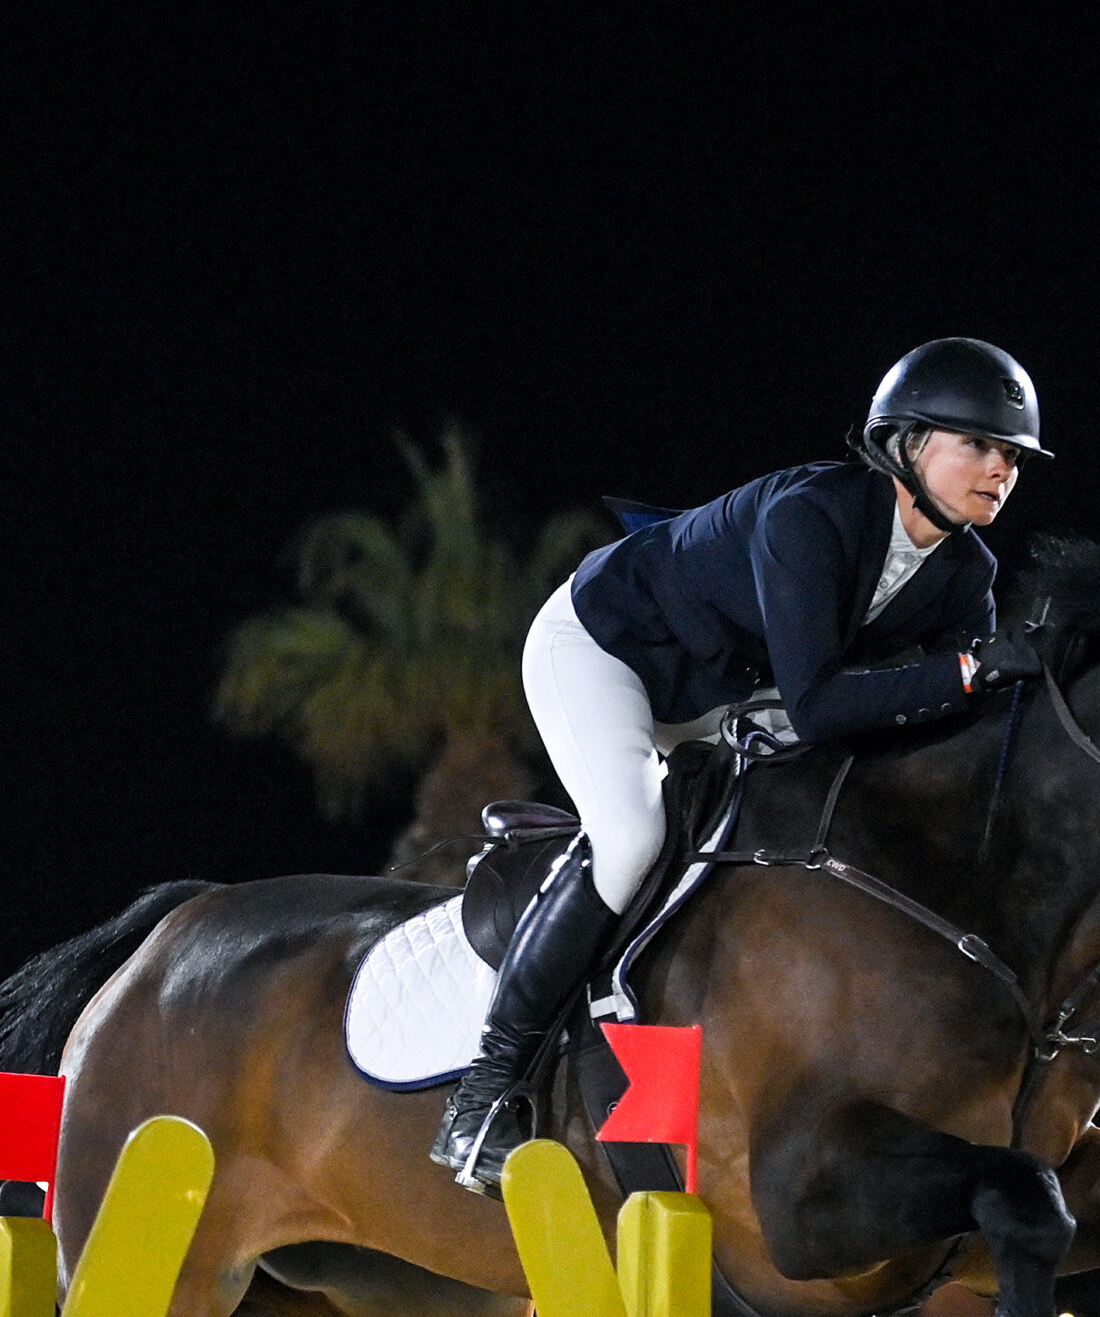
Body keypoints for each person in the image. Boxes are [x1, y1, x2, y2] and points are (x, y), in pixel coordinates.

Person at [431, 338, 1053, 1189]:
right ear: (905, 443)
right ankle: (482, 1098)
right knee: (631, 836)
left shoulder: (967, 573)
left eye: (1013, 454)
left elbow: (940, 723)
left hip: (731, 692)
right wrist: (973, 672)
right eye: (977, 444)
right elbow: (824, 706)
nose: (1002, 468)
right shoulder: (813, 515)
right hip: (609, 649)